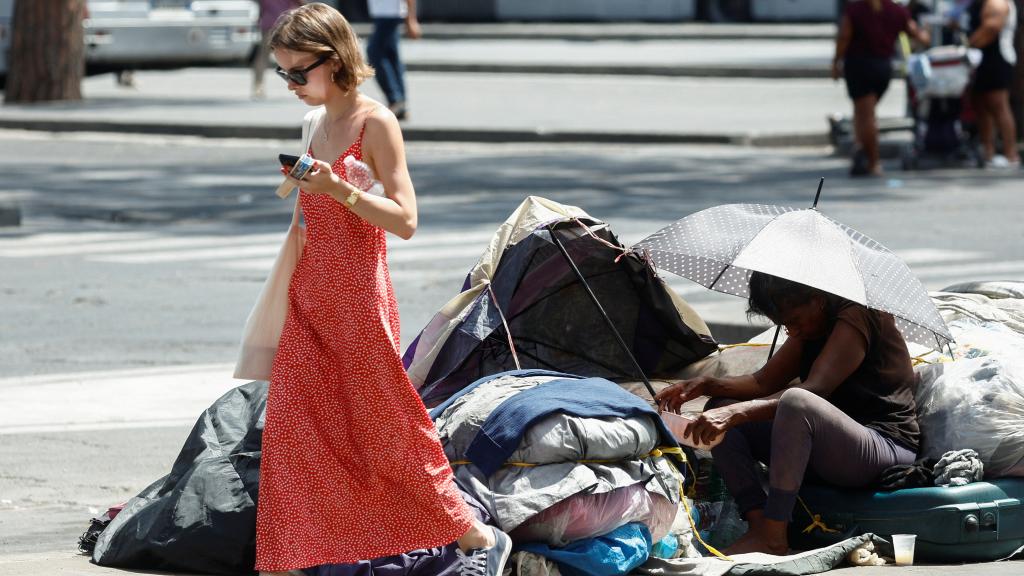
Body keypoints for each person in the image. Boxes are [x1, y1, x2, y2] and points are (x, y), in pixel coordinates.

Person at [255, 4, 510, 575]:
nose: (292, 85)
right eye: (283, 74)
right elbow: (309, 220)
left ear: (337, 59)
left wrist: (337, 188)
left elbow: (405, 218)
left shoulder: (377, 122)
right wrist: (304, 189)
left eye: (300, 72)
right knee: (296, 430)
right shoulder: (314, 123)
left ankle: (475, 536)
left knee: (391, 427)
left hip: (359, 298)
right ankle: (291, 558)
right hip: (310, 292)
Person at [655, 272, 920, 555]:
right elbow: (762, 382)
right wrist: (707, 385)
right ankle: (759, 526)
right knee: (719, 408)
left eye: (793, 321)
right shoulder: (812, 325)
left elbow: (813, 391)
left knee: (795, 402)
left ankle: (775, 531)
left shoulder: (858, 314)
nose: (792, 331)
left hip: (882, 447)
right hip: (828, 450)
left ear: (817, 301)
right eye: (785, 325)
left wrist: (737, 413)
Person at [832, 0, 929, 176]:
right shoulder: (896, 10)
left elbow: (844, 36)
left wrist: (836, 61)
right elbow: (918, 35)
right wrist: (927, 34)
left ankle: (873, 161)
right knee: (863, 112)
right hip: (883, 67)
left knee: (866, 115)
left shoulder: (856, 9)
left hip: (859, 65)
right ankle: (860, 150)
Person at [967, 0, 1020, 168]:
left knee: (999, 105)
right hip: (981, 60)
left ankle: (1011, 155)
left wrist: (968, 44)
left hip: (997, 59)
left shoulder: (997, 3)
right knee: (982, 105)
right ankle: (988, 153)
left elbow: (991, 28)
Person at [367, 0, 421, 120]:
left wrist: (411, 20)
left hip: (390, 15)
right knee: (392, 58)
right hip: (384, 14)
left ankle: (395, 99)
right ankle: (400, 103)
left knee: (374, 53)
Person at [252, 0, 305, 99]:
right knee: (295, 55)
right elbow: (301, 3)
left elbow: (260, 5)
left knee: (263, 55)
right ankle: (299, 84)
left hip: (268, 22)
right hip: (287, 22)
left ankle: (258, 86)